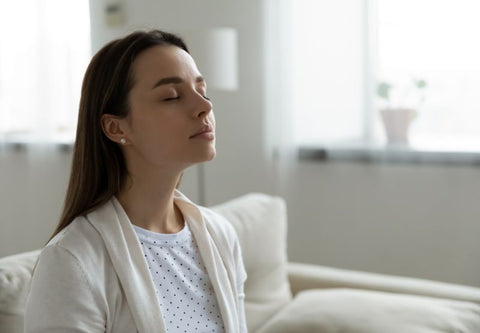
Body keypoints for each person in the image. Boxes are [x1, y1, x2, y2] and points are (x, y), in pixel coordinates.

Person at [24, 30, 247, 333]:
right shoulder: (71, 261)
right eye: (171, 96)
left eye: (203, 91)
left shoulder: (221, 236)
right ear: (116, 127)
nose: (204, 106)